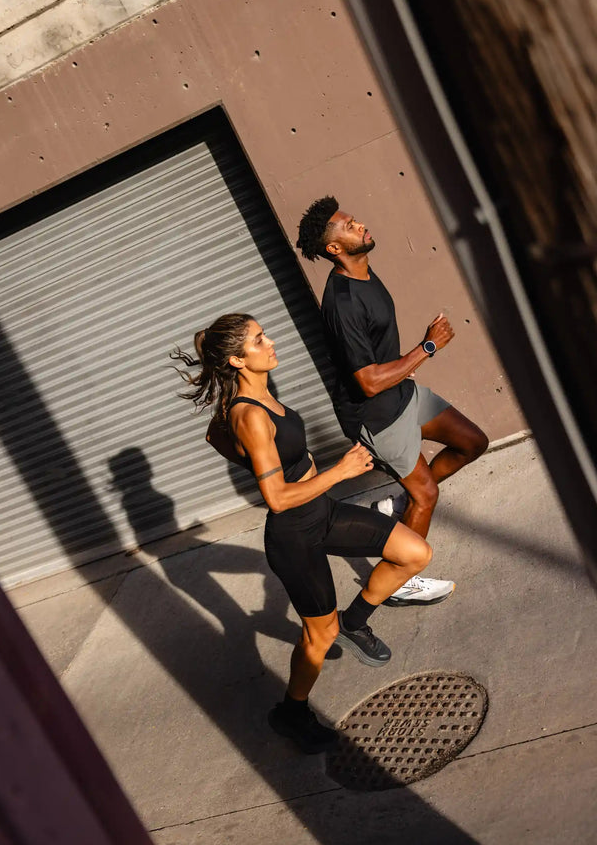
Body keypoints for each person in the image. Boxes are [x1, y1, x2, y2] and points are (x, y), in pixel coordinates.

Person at [172, 313, 435, 755]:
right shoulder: (247, 415)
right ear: (238, 359)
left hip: (323, 513)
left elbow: (212, 435)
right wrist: (340, 471)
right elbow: (275, 498)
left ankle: (355, 622)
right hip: (295, 535)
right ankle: (291, 712)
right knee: (319, 637)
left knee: (414, 553)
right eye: (259, 340)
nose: (271, 342)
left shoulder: (253, 397)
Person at [296, 196, 488, 599]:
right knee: (427, 494)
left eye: (354, 219)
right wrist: (427, 348)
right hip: (376, 414)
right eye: (348, 226)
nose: (359, 224)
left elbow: (375, 354)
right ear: (334, 249)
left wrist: (402, 364)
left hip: (401, 392)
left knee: (472, 442)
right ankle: (402, 578)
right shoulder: (341, 303)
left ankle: (396, 510)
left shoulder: (365, 271)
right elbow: (366, 382)